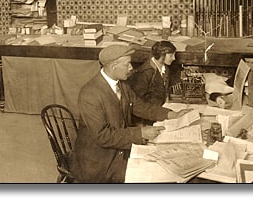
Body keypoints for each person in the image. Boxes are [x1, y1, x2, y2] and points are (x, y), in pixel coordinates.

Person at [70, 44, 190, 183]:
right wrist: (140, 133)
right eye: (127, 64)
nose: (131, 68)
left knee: (164, 166)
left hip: (119, 148)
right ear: (114, 66)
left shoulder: (122, 84)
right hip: (98, 161)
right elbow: (102, 136)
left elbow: (141, 107)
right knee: (156, 175)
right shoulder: (90, 94)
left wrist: (171, 114)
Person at [129, 41, 177, 126]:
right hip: (147, 117)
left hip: (159, 110)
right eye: (171, 55)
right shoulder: (145, 73)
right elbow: (139, 104)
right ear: (161, 56)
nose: (174, 58)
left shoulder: (165, 68)